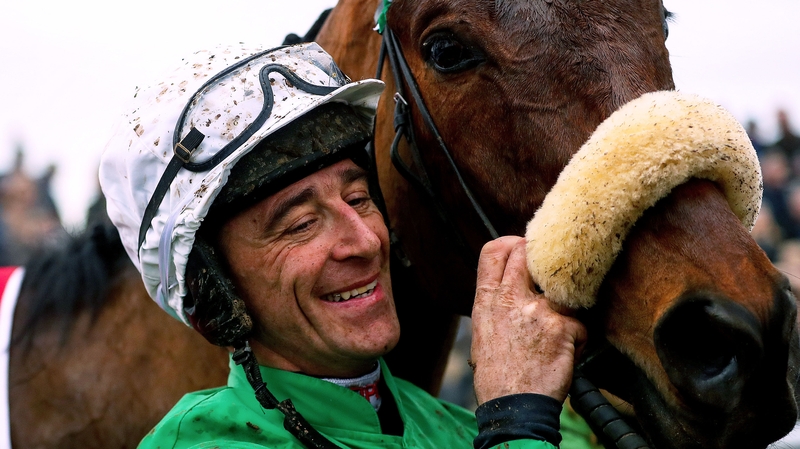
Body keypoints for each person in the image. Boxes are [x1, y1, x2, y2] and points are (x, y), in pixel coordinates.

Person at [99, 42, 586, 449]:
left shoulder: (457, 428)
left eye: (359, 197)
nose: (366, 240)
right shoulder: (200, 443)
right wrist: (518, 421)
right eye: (302, 224)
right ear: (215, 294)